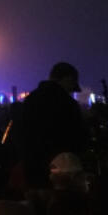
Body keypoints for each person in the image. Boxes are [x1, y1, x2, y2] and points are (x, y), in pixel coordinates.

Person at [16, 61, 85, 190]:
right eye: (71, 87)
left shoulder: (30, 99)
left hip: (31, 168)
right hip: (60, 171)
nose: (70, 92)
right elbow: (77, 136)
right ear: (68, 79)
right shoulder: (67, 103)